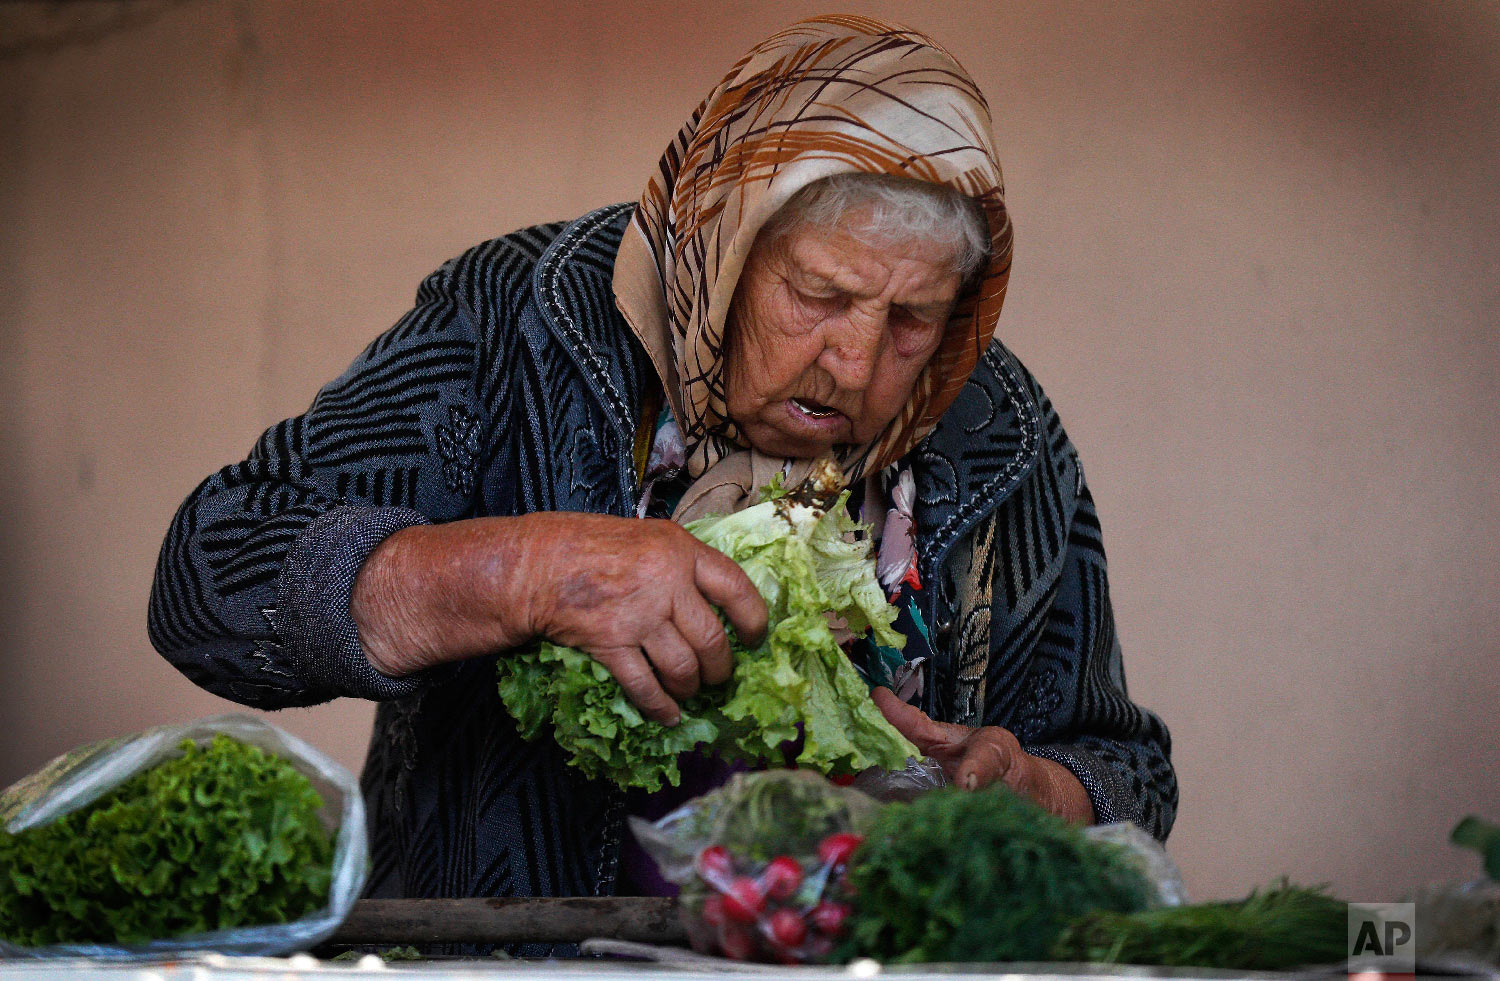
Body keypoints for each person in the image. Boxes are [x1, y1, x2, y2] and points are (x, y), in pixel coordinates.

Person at [149, 14, 1176, 948]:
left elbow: (1126, 769)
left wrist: (1041, 790)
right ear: (725, 241)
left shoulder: (995, 425)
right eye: (819, 294)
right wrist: (524, 570)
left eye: (913, 321)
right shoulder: (517, 320)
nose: (857, 364)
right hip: (514, 965)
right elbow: (213, 577)